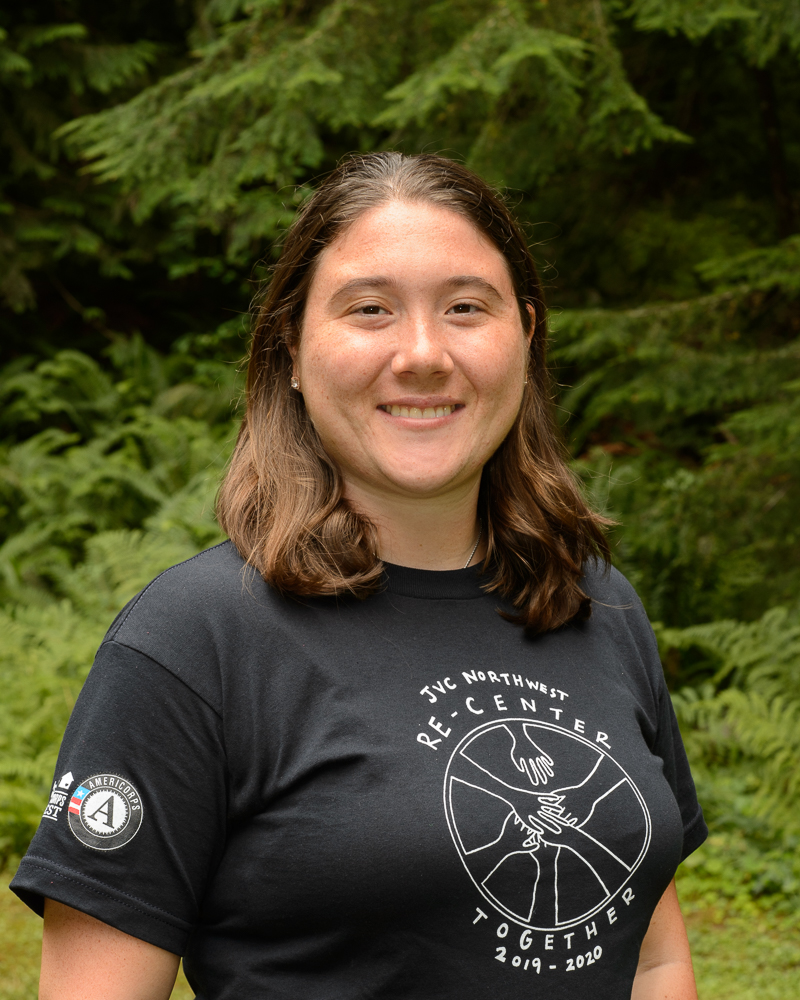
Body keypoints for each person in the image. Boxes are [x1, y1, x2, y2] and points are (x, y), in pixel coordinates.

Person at [11, 152, 706, 1000]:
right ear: (292, 349)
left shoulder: (595, 602)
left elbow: (653, 958)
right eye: (370, 309)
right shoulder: (192, 642)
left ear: (525, 337)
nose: (423, 354)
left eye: (465, 307)